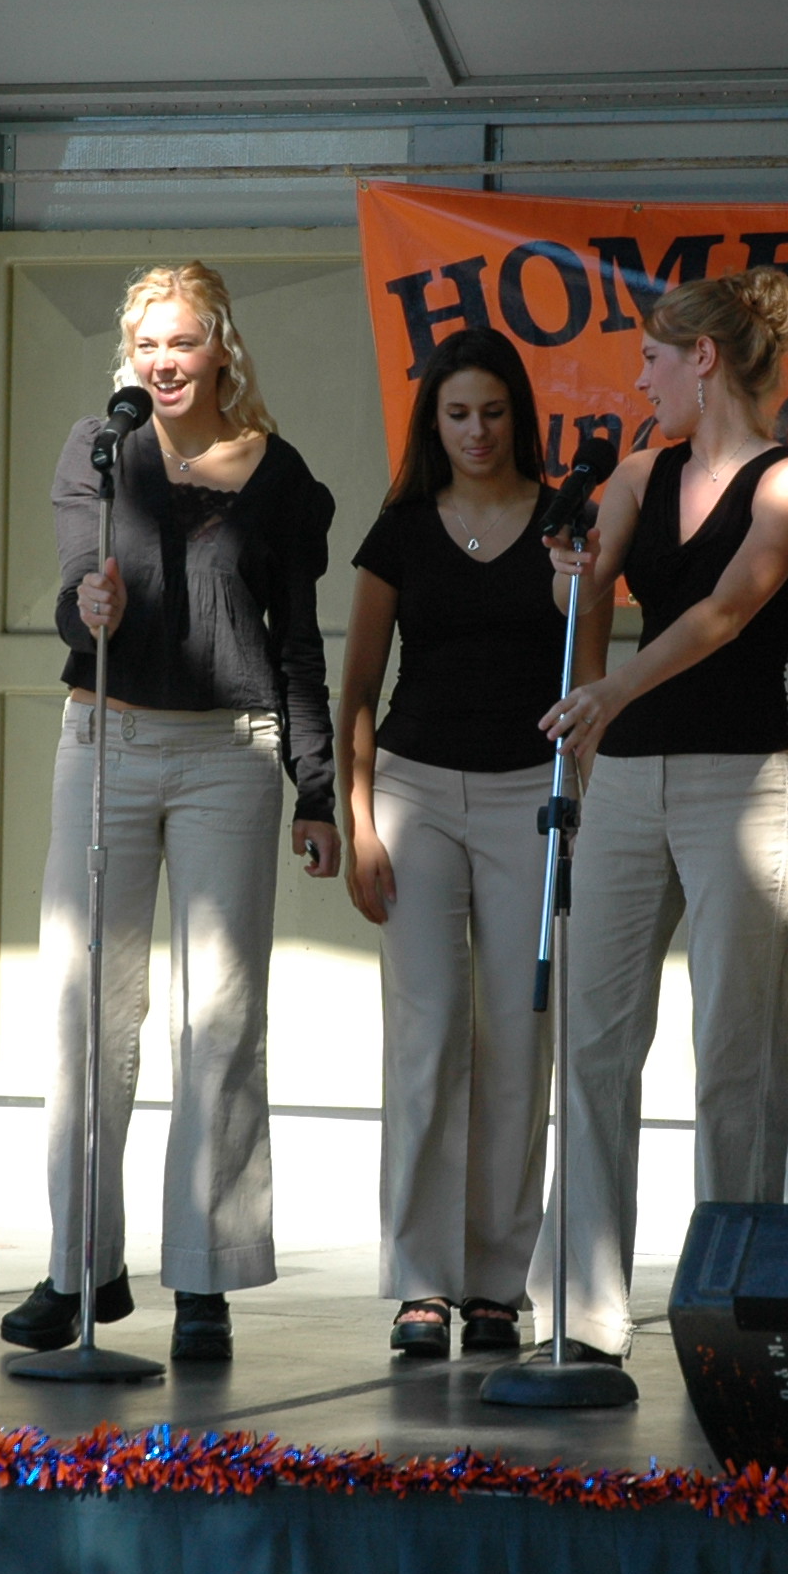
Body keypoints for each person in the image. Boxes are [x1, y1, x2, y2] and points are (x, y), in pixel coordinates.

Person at [4, 262, 340, 1365]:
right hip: (104, 740)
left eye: (182, 341)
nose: (163, 362)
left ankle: (205, 1275)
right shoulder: (99, 452)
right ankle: (79, 1267)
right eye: (146, 344)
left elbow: (296, 641)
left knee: (221, 1019)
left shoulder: (279, 476)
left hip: (229, 754)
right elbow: (77, 594)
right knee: (88, 1008)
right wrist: (85, 604)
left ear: (220, 348)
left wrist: (316, 785)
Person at [535, 265, 788, 1364]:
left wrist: (612, 690)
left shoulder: (787, 481)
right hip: (628, 776)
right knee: (594, 1038)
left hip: (738, 778)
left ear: (704, 359)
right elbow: (582, 594)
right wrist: (567, 571)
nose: (640, 378)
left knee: (733, 1049)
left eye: (654, 358)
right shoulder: (637, 470)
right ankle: (580, 1308)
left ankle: (733, 1302)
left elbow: (727, 608)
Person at [338, 328, 563, 1359]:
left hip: (529, 796)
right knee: (426, 1037)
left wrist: (577, 804)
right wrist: (357, 821)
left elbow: (585, 678)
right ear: (432, 421)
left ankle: (496, 1284)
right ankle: (420, 1282)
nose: (476, 431)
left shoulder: (563, 525)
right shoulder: (400, 529)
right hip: (414, 793)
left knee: (517, 1036)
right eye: (457, 413)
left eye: (493, 412)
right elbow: (357, 687)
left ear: (519, 416)